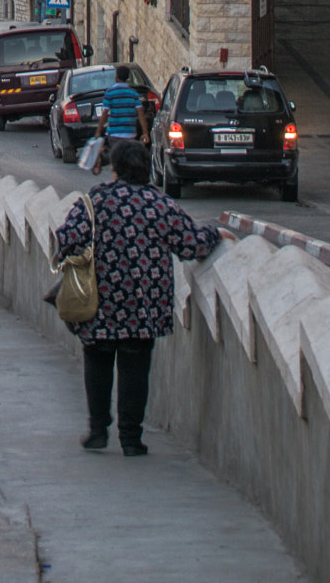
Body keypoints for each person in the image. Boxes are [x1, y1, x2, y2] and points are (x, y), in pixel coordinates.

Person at [52, 139, 219, 456]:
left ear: (116, 170)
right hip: (144, 306)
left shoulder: (95, 202)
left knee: (98, 360)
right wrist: (214, 233)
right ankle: (131, 438)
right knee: (135, 367)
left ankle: (98, 429)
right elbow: (191, 245)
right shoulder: (158, 204)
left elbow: (65, 240)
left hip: (99, 302)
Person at [88, 64, 150, 173]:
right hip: (130, 134)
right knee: (128, 159)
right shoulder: (133, 94)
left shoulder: (110, 93)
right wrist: (145, 132)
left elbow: (105, 114)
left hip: (114, 135)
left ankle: (115, 177)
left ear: (116, 76)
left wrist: (98, 132)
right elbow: (141, 114)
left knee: (116, 161)